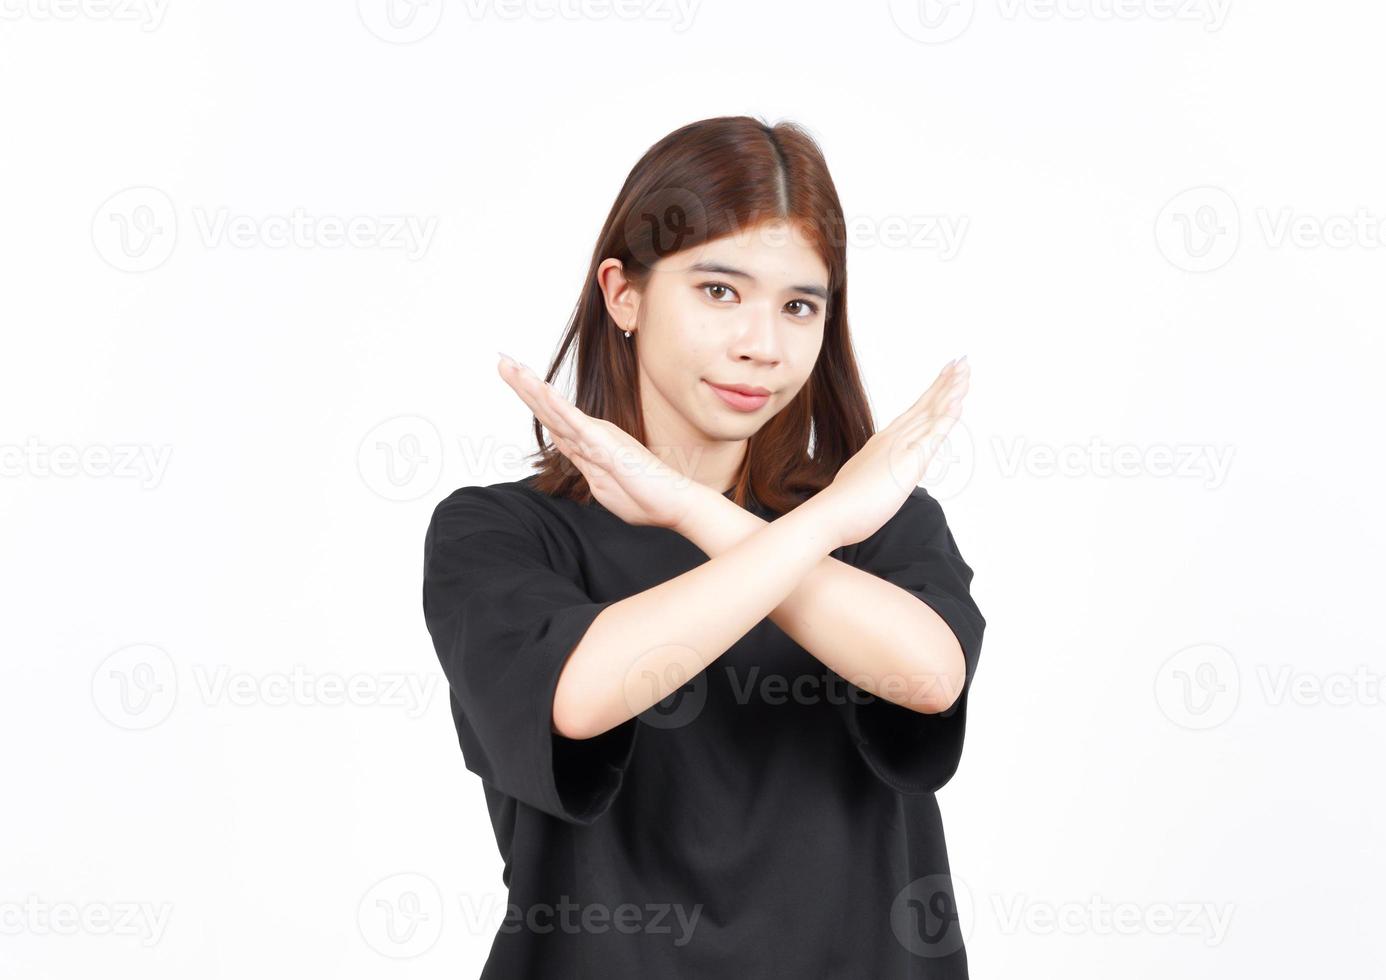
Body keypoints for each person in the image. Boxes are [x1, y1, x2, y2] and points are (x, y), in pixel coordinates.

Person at [421, 114, 985, 979]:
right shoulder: (497, 532)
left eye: (799, 306)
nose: (761, 345)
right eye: (719, 291)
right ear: (624, 294)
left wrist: (702, 510)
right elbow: (579, 697)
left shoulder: (878, 525)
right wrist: (816, 521)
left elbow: (928, 675)